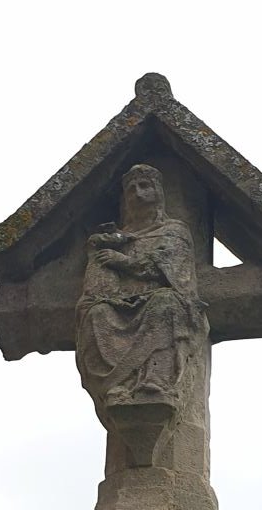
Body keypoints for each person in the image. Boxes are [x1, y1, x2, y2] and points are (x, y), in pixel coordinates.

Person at [76, 164, 208, 430]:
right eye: (131, 189)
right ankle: (117, 385)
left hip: (161, 301)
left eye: (145, 186)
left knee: (165, 304)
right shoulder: (115, 238)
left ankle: (156, 380)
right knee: (97, 314)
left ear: (158, 192)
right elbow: (96, 284)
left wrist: (122, 261)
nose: (138, 193)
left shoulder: (174, 231)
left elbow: (168, 266)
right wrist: (99, 253)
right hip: (119, 302)